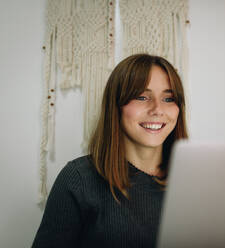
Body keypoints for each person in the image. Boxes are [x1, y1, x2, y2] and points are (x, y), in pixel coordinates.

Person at [32, 54, 188, 248]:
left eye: (168, 98)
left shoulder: (194, 181)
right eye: (141, 96)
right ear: (116, 106)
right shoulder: (78, 179)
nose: (157, 109)